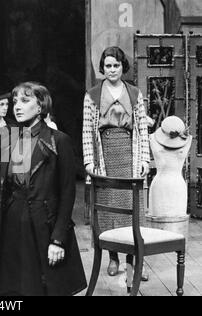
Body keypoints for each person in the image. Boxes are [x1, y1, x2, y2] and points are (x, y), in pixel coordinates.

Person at [0, 82, 86, 296]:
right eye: (15, 102)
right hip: (13, 226)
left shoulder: (59, 141)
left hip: (44, 226)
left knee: (44, 289)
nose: (17, 107)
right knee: (14, 291)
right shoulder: (7, 142)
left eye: (25, 100)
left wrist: (58, 239)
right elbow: (0, 193)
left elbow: (68, 193)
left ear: (40, 107)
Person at [82, 46, 150, 279]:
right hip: (105, 154)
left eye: (116, 65)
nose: (112, 70)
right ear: (103, 68)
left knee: (132, 209)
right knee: (109, 207)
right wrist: (90, 161)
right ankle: (112, 257)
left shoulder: (134, 93)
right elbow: (86, 130)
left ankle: (132, 263)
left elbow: (142, 127)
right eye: (108, 66)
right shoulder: (92, 94)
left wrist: (144, 159)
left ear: (123, 67)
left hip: (129, 153)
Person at [149, 116, 192, 218]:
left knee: (178, 226)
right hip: (159, 188)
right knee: (158, 228)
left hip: (178, 188)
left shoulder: (188, 139)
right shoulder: (152, 138)